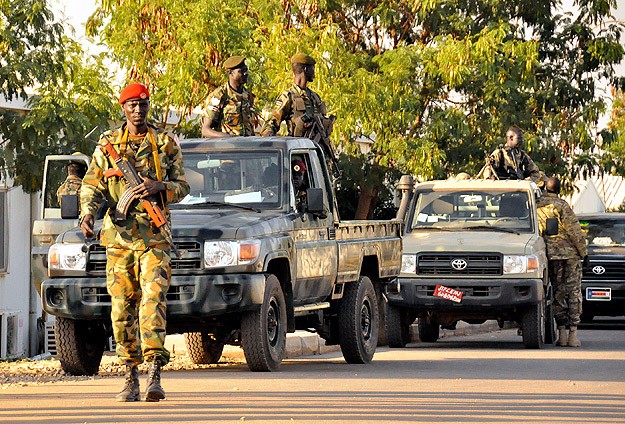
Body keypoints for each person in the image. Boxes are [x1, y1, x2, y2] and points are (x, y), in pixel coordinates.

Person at [79, 83, 189, 402]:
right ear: (123, 109)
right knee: (121, 306)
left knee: (153, 300)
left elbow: (183, 187)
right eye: (131, 105)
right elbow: (91, 186)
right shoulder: (109, 145)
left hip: (155, 238)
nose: (138, 110)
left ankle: (154, 373)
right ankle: (130, 376)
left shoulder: (165, 144)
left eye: (142, 105)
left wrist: (160, 186)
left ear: (148, 106)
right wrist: (87, 214)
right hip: (119, 238)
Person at [537, 177, 588, 347]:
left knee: (558, 292)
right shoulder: (562, 205)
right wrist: (584, 253)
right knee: (573, 292)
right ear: (559, 189)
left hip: (551, 256)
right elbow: (574, 231)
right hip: (570, 255)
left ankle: (562, 334)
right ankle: (573, 335)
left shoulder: (537, 206)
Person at [261, 53, 329, 137]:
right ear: (306, 69)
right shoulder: (288, 96)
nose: (314, 73)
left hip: (316, 147)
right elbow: (271, 124)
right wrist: (269, 138)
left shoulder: (315, 97)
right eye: (313, 68)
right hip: (298, 147)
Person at [201, 56, 257, 137]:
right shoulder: (219, 96)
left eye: (246, 70)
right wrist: (227, 138)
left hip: (247, 146)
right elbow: (206, 130)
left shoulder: (248, 96)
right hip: (227, 147)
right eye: (241, 71)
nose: (246, 73)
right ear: (231, 72)